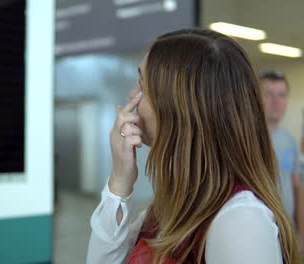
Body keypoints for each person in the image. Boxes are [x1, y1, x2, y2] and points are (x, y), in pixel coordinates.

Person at [86, 29, 300, 264]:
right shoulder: (176, 203)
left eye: (142, 85)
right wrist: (119, 182)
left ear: (181, 107)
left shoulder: (241, 220)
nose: (132, 94)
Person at [260, 70, 304, 250]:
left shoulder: (289, 140)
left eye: (281, 95)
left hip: (286, 234)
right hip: (259, 232)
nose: (276, 102)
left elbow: (297, 188)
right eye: (269, 94)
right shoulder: (246, 140)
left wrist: (301, 233)